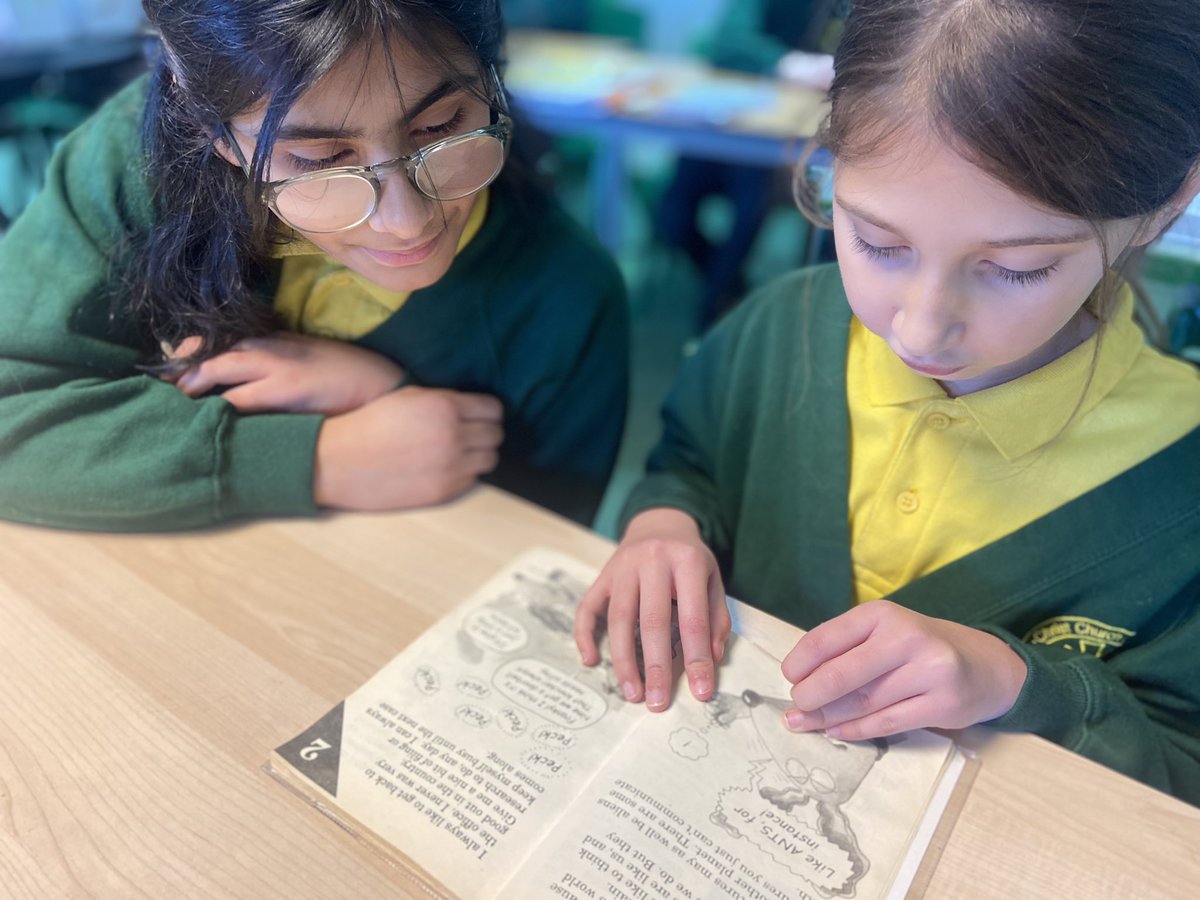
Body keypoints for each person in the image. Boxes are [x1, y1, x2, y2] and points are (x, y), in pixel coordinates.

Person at [575, 0, 1200, 803]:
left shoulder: (1178, 482)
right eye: (877, 242)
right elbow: (694, 463)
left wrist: (1020, 682)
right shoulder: (780, 328)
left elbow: (1180, 768)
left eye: (1014, 269)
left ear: (1169, 205)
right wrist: (663, 524)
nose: (921, 325)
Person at [0, 0, 629, 530]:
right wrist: (316, 457)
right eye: (320, 161)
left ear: (492, 82)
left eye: (441, 126)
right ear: (215, 136)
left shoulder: (566, 297)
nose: (407, 222)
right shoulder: (135, 164)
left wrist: (397, 403)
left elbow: (536, 564)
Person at [656, 0, 847, 331]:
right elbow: (726, 41)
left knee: (751, 208)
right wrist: (787, 64)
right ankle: (730, 289)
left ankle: (714, 314)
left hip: (788, 147)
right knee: (670, 219)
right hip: (727, 131)